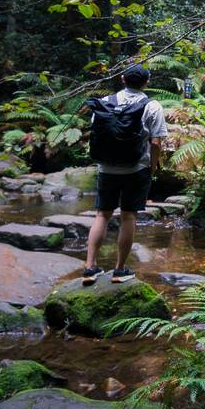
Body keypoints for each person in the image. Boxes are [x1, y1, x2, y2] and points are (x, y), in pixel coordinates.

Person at [82, 64, 167, 284]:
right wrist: (153, 166)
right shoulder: (152, 105)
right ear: (146, 82)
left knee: (102, 214)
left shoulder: (105, 103)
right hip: (136, 168)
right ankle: (119, 270)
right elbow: (156, 142)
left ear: (122, 79)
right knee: (128, 216)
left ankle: (90, 268)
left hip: (106, 167)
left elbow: (97, 133)